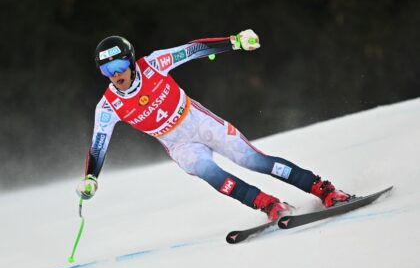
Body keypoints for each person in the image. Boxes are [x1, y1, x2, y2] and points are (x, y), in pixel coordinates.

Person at [76, 30, 352, 221]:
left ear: (131, 60)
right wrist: (91, 178)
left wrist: (235, 42)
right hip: (178, 144)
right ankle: (267, 203)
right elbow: (98, 146)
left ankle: (322, 189)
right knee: (210, 173)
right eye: (107, 71)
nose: (116, 75)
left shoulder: (154, 64)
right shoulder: (108, 106)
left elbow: (195, 49)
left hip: (197, 121)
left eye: (120, 65)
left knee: (254, 160)